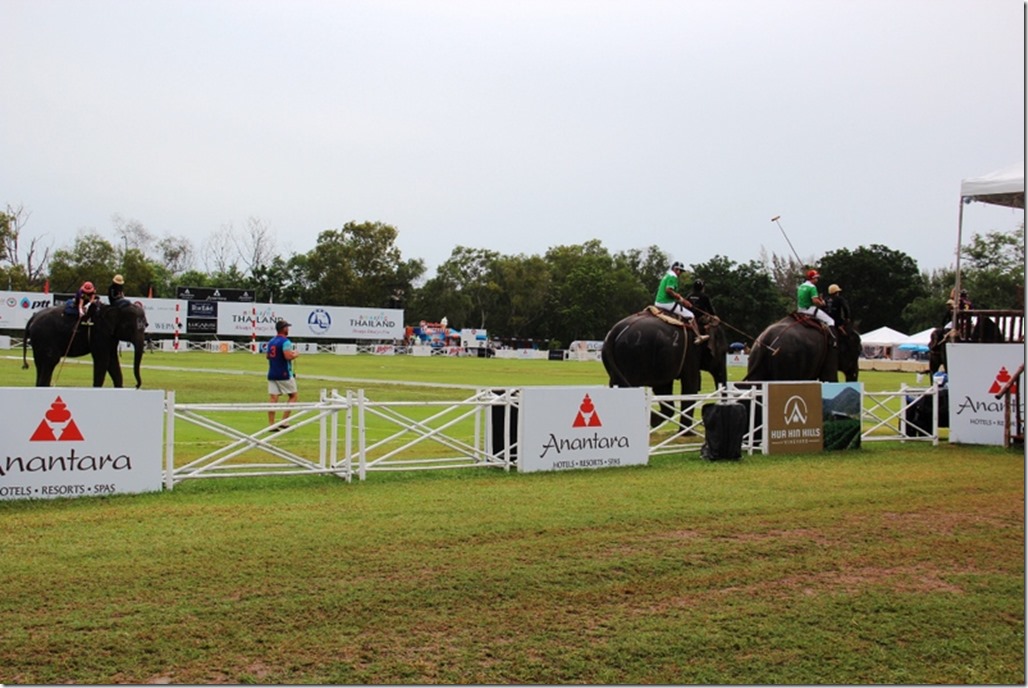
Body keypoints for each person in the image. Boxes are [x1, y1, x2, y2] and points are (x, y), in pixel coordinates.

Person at [654, 261, 709, 344]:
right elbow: (669, 290)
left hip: (659, 301)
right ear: (674, 269)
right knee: (690, 315)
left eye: (681, 271)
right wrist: (682, 300)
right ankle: (698, 336)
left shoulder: (667, 275)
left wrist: (681, 300)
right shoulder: (673, 277)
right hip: (666, 302)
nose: (679, 272)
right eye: (678, 270)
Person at [266, 319, 299, 430]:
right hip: (284, 373)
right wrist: (295, 355)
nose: (288, 329)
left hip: (272, 372)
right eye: (287, 327)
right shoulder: (286, 342)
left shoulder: (271, 341)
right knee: (293, 396)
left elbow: (267, 356)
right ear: (284, 329)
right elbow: (288, 357)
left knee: (273, 398)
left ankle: (271, 424)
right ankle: (284, 421)